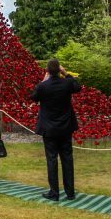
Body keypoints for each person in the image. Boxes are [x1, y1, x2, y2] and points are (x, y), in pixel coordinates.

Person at [30, 58, 81, 201]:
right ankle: (70, 192)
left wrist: (42, 81)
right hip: (65, 127)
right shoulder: (67, 83)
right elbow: (78, 87)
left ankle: (54, 192)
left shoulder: (43, 86)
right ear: (59, 70)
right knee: (67, 158)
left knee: (52, 159)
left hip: (49, 128)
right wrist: (67, 74)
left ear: (47, 71)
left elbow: (33, 97)